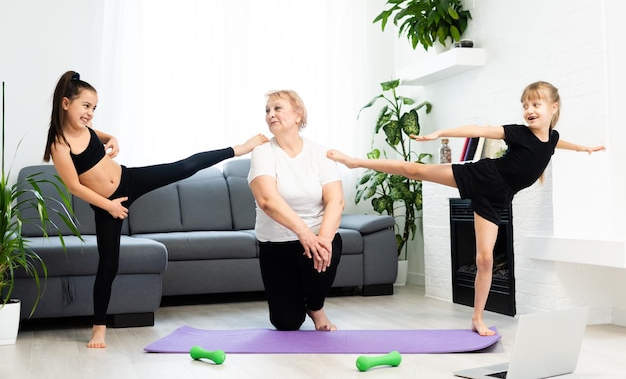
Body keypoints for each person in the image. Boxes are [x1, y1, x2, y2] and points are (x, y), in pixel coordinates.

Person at [327, 81, 605, 336]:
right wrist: (440, 133)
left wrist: (583, 149)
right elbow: (478, 131)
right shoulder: (519, 133)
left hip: (498, 198)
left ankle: (477, 318)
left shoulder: (552, 139)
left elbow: (557, 144)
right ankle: (354, 161)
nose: (529, 110)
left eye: (535, 104)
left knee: (484, 260)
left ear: (553, 107)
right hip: (485, 175)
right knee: (414, 170)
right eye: (525, 105)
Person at [43, 71, 268, 348]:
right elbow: (75, 187)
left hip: (128, 179)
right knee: (108, 265)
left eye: (94, 108)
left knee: (185, 166)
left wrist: (112, 138)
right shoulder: (59, 143)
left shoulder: (86, 130)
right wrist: (110, 206)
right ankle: (99, 327)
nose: (90, 113)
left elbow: (103, 136)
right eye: (85, 106)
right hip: (107, 204)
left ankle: (239, 148)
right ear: (66, 104)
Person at [248, 90, 345, 331]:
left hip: (314, 240)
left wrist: (322, 238)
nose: (271, 114)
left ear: (298, 114)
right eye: (267, 111)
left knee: (330, 243)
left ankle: (315, 306)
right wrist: (304, 233)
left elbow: (336, 201)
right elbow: (267, 200)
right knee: (286, 323)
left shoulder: (320, 154)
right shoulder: (262, 152)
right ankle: (297, 303)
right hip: (276, 245)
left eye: (277, 108)